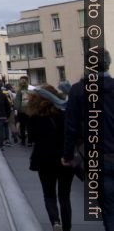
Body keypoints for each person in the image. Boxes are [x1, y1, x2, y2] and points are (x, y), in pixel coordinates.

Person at [62, 49, 113, 230]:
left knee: (109, 208)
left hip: (97, 158)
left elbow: (71, 126)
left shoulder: (78, 90)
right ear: (109, 63)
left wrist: (67, 155)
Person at [29, 85, 73, 231]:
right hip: (64, 158)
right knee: (65, 197)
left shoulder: (34, 117)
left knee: (49, 194)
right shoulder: (64, 115)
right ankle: (67, 227)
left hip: (44, 160)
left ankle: (55, 222)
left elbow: (32, 138)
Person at [15, 77, 32, 146]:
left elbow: (17, 101)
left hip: (21, 111)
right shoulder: (30, 90)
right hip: (29, 111)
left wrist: (17, 108)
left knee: (22, 126)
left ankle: (23, 141)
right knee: (29, 126)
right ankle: (30, 141)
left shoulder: (19, 91)